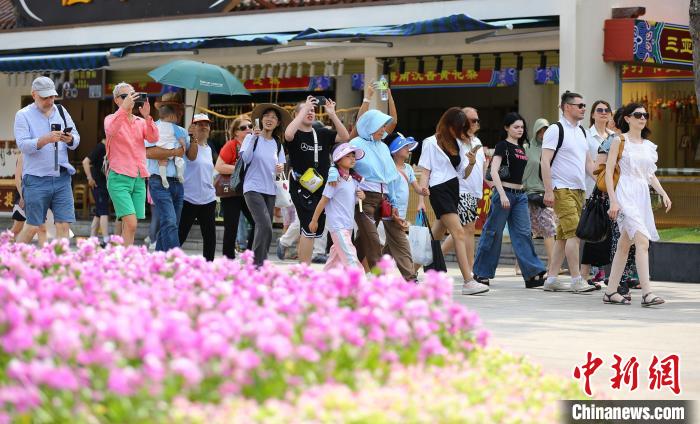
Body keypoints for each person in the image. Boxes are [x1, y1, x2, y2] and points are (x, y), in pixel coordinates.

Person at [603, 103, 672, 306]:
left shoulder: (648, 146)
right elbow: (608, 172)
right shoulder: (619, 140)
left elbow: (649, 175)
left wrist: (663, 193)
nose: (643, 118)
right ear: (627, 118)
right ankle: (647, 293)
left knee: (624, 245)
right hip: (624, 193)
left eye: (645, 115)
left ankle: (610, 292)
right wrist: (613, 200)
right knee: (642, 241)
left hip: (641, 195)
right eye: (638, 115)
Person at [327, 109, 407, 277]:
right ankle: (378, 277)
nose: (383, 130)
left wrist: (392, 200)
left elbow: (390, 176)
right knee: (373, 239)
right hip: (364, 198)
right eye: (380, 126)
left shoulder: (384, 147)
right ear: (369, 125)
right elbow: (340, 158)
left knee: (363, 240)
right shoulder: (356, 142)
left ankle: (339, 274)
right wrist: (333, 172)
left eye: (384, 126)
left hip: (382, 199)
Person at [418, 107, 489, 295]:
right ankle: (468, 280)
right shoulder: (431, 142)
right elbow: (425, 171)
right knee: (459, 232)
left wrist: (472, 163)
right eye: (461, 126)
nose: (464, 130)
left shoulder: (456, 144)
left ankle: (409, 271)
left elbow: (462, 174)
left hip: (454, 189)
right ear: (450, 125)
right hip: (439, 190)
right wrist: (421, 199)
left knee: (436, 235)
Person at [473, 112, 547, 288]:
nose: (520, 130)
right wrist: (502, 193)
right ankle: (481, 273)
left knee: (523, 233)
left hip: (520, 196)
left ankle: (532, 273)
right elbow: (493, 172)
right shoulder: (502, 146)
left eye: (522, 127)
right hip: (504, 194)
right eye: (516, 127)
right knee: (493, 232)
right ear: (507, 128)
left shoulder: (522, 148)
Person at [282, 95, 350, 264]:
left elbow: (345, 137)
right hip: (301, 186)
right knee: (308, 228)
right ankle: (305, 268)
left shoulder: (321, 132)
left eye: (313, 110)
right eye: (306, 109)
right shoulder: (295, 133)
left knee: (316, 228)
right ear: (298, 114)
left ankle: (303, 265)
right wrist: (303, 108)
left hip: (322, 187)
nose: (310, 112)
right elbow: (288, 135)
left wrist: (332, 114)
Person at [540, 90, 596, 293]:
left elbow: (589, 163)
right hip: (560, 188)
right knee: (575, 233)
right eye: (580, 105)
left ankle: (551, 279)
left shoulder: (582, 131)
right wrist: (548, 190)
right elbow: (545, 161)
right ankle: (576, 280)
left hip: (579, 189)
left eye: (584, 105)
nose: (583, 109)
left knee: (563, 237)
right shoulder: (555, 129)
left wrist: (601, 183)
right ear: (567, 107)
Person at [14, 76, 80, 243]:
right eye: (45, 97)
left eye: (52, 96)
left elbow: (77, 139)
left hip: (62, 178)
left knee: (64, 225)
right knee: (33, 227)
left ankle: (60, 266)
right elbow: (22, 145)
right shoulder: (23, 115)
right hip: (35, 179)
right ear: (33, 94)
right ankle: (10, 263)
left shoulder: (62, 111)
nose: (50, 101)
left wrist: (70, 139)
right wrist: (45, 139)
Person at [104, 82, 159, 246]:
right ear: (116, 100)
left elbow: (153, 138)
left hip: (139, 178)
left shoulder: (140, 122)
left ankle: (123, 260)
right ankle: (123, 258)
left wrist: (148, 117)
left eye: (132, 95)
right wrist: (123, 110)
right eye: (124, 96)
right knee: (131, 223)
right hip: (119, 177)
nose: (129, 99)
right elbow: (111, 130)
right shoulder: (111, 119)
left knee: (131, 226)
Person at [440, 107, 486, 284]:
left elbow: (481, 168)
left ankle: (435, 259)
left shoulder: (477, 141)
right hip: (461, 190)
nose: (475, 123)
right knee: (467, 229)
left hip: (474, 192)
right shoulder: (457, 141)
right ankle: (471, 269)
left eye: (477, 120)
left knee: (460, 229)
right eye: (471, 120)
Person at [241, 103, 290, 267]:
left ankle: (259, 264)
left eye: (274, 117)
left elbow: (280, 170)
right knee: (264, 225)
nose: (270, 119)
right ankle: (257, 264)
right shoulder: (250, 138)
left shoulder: (277, 144)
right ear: (261, 120)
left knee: (265, 227)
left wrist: (279, 168)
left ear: (278, 123)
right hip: (252, 188)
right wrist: (254, 136)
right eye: (267, 116)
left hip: (270, 190)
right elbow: (245, 159)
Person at [146, 107, 198, 252]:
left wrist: (192, 137)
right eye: (177, 109)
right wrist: (174, 152)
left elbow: (192, 156)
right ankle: (176, 258)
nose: (180, 113)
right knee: (170, 222)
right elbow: (148, 152)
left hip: (178, 182)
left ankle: (158, 260)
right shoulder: (153, 128)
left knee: (170, 224)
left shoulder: (181, 130)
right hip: (158, 181)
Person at [309, 143, 366, 271]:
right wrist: (314, 220)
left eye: (353, 156)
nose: (352, 159)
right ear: (338, 160)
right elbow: (323, 200)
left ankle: (323, 284)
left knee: (335, 260)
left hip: (348, 226)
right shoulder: (334, 180)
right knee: (351, 257)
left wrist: (362, 196)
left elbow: (354, 200)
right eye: (348, 156)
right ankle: (361, 285)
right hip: (337, 226)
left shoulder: (353, 180)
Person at [580, 101, 617, 288]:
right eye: (599, 110)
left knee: (608, 233)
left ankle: (600, 273)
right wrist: (601, 182)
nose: (603, 113)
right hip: (592, 190)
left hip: (611, 191)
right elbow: (588, 164)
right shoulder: (585, 135)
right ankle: (584, 274)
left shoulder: (614, 136)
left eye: (606, 110)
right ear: (593, 114)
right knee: (593, 231)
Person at [605, 108, 639, 293]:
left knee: (634, 241)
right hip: (616, 194)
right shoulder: (614, 141)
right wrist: (613, 198)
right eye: (638, 116)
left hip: (633, 196)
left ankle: (625, 279)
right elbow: (604, 169)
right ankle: (617, 282)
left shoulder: (638, 142)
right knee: (620, 239)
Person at [385, 133, 425, 282]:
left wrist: (422, 191)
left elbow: (416, 187)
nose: (408, 150)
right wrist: (394, 211)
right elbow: (389, 191)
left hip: (401, 213)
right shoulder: (389, 168)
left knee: (389, 248)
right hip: (391, 212)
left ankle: (377, 272)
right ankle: (410, 277)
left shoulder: (408, 168)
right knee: (403, 245)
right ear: (395, 151)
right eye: (404, 147)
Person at [215, 116, 256, 259]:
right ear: (236, 133)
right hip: (232, 192)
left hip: (250, 191)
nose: (248, 129)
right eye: (243, 128)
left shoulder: (255, 145)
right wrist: (240, 168)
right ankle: (228, 258)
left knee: (258, 222)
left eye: (250, 126)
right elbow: (219, 166)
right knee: (231, 227)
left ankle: (250, 254)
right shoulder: (231, 145)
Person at [522, 118, 558, 276]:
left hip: (545, 194)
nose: (543, 134)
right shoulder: (526, 148)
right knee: (527, 230)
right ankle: (521, 264)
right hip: (528, 193)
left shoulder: (551, 149)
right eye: (541, 131)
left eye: (546, 131)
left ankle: (552, 264)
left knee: (549, 228)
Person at [179, 113, 217, 261]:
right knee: (181, 234)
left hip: (208, 198)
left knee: (210, 237)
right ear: (193, 126)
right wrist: (190, 136)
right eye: (200, 124)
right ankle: (166, 262)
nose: (204, 127)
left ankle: (209, 266)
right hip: (188, 198)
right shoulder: (186, 145)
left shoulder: (209, 148)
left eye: (206, 124)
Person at [82, 138, 111, 247]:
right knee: (103, 211)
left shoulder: (108, 148)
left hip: (103, 184)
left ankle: (92, 238)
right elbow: (85, 162)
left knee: (99, 212)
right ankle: (106, 240)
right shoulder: (100, 147)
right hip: (98, 184)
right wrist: (89, 178)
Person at [154, 107, 187, 189]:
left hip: (161, 147)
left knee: (162, 162)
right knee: (179, 159)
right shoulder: (174, 127)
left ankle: (163, 178)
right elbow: (180, 138)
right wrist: (183, 145)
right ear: (172, 117)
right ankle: (179, 173)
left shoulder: (156, 126)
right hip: (172, 147)